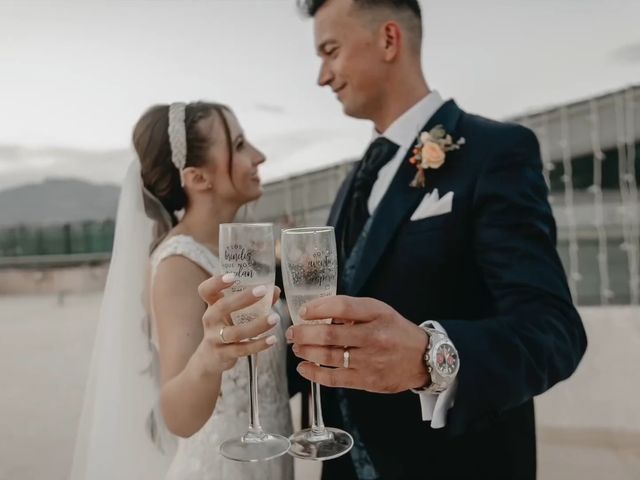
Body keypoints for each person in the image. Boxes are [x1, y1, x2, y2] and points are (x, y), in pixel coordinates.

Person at [286, 1, 588, 479]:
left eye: (331, 51)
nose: (323, 76)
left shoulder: (495, 151)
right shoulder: (354, 180)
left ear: (389, 39)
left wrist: (430, 359)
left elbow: (553, 332)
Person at [70, 102, 293, 480]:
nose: (258, 156)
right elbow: (175, 414)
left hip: (273, 460)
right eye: (239, 145)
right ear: (197, 177)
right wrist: (210, 356)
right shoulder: (178, 265)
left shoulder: (237, 255)